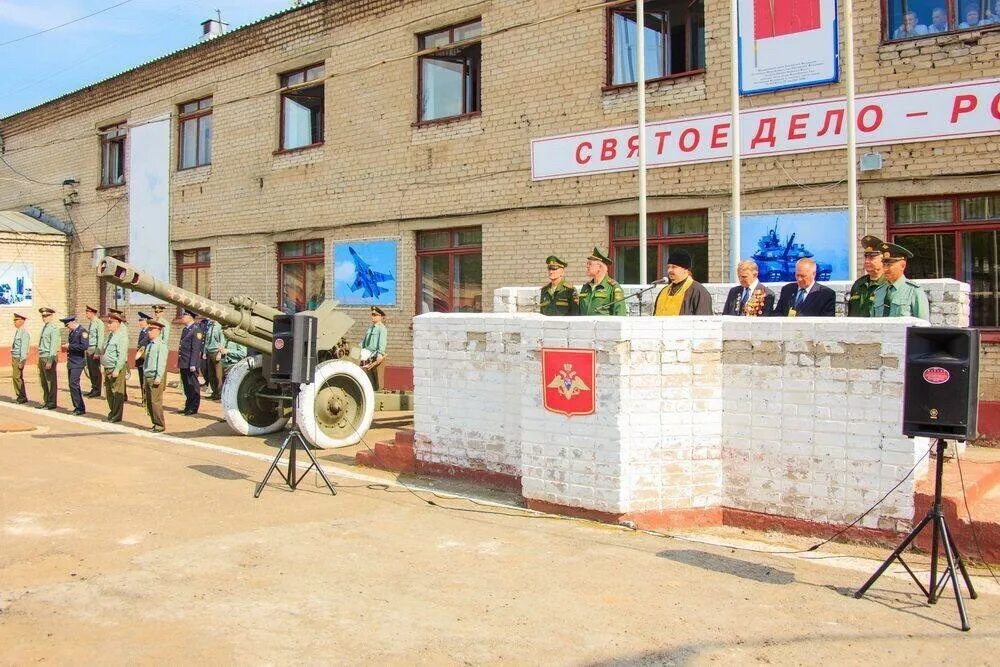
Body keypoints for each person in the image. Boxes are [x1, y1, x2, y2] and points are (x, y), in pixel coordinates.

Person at [871, 241, 930, 319]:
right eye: (884, 264)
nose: (885, 268)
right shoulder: (879, 291)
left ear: (902, 265)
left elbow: (922, 326)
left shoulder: (914, 291)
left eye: (889, 265)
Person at [653, 251, 713, 316]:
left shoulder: (698, 291)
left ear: (686, 270)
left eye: (673, 267)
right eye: (668, 267)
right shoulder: (663, 292)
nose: (669, 270)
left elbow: (704, 322)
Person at [847, 235, 889, 317]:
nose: (866, 261)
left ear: (883, 259)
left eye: (872, 257)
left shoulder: (888, 284)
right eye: (866, 257)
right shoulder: (859, 284)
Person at [578, 247, 627, 316]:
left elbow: (619, 314)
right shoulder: (586, 287)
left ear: (599, 267)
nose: (587, 266)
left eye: (590, 264)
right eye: (587, 264)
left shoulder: (613, 287)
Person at [101, 312, 128, 422]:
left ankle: (117, 415)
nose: (108, 325)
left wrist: (117, 369)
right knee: (109, 393)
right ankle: (112, 411)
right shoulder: (111, 336)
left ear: (118, 323)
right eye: (108, 322)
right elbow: (106, 351)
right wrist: (103, 365)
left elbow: (121, 356)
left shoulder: (122, 337)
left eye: (110, 322)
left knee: (117, 393)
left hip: (115, 369)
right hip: (107, 367)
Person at [177, 309, 204, 415]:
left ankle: (194, 407)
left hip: (190, 363)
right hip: (184, 361)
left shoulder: (196, 330)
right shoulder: (186, 329)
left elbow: (196, 348)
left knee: (193, 386)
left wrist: (193, 364)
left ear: (190, 317)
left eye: (184, 315)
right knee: (187, 386)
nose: (182, 317)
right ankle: (188, 406)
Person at [143, 320, 168, 432]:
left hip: (155, 377)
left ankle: (159, 425)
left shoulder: (161, 345)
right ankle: (154, 423)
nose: (149, 332)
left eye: (151, 330)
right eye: (149, 330)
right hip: (148, 376)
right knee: (149, 402)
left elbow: (161, 363)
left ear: (158, 331)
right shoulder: (149, 345)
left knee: (155, 402)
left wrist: (158, 377)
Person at [61, 316, 87, 415]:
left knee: (73, 384)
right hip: (71, 361)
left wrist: (70, 346)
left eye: (68, 325)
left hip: (78, 362)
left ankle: (80, 408)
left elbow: (84, 346)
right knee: (72, 385)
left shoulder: (82, 331)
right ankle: (78, 407)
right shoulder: (72, 332)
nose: (67, 327)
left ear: (72, 322)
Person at [360, 306, 389, 391]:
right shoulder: (370, 328)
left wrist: (380, 355)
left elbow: (382, 343)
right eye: (372, 314)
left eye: (375, 315)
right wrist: (357, 349)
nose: (372, 316)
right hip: (368, 358)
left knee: (378, 384)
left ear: (380, 317)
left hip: (377, 359)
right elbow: (364, 343)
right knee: (370, 383)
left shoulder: (382, 329)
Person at [36, 307, 60, 410]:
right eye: (43, 316)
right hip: (42, 356)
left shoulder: (53, 328)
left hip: (48, 356)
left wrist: (50, 360)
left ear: (51, 316)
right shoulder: (45, 327)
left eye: (46, 316)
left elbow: (54, 346)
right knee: (43, 381)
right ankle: (46, 400)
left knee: (50, 381)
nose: (44, 318)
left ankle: (51, 402)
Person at [84, 305, 104, 397]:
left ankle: (97, 390)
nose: (86, 314)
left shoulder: (98, 323)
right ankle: (93, 387)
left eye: (87, 312)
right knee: (91, 370)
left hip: (94, 349)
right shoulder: (92, 322)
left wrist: (97, 351)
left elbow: (100, 338)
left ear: (92, 313)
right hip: (89, 349)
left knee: (95, 370)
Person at [203, 317, 225, 400]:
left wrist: (219, 353)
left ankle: (219, 393)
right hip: (209, 352)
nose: (208, 318)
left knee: (218, 375)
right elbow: (206, 340)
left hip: (216, 352)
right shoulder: (210, 326)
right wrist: (204, 352)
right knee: (211, 374)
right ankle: (214, 392)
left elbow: (222, 341)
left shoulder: (219, 327)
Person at [10, 313, 30, 404]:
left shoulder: (24, 333)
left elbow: (24, 348)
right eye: (14, 320)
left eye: (16, 320)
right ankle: (20, 396)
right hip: (15, 357)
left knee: (17, 377)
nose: (14, 322)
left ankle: (22, 397)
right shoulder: (18, 331)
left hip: (19, 358)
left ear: (21, 321)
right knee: (16, 377)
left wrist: (22, 361)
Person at [134, 312, 151, 407]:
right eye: (139, 320)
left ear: (146, 322)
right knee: (141, 380)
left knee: (145, 381)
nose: (140, 322)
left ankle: (146, 400)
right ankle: (144, 399)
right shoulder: (142, 331)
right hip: (140, 360)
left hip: (145, 360)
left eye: (142, 321)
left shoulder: (149, 332)